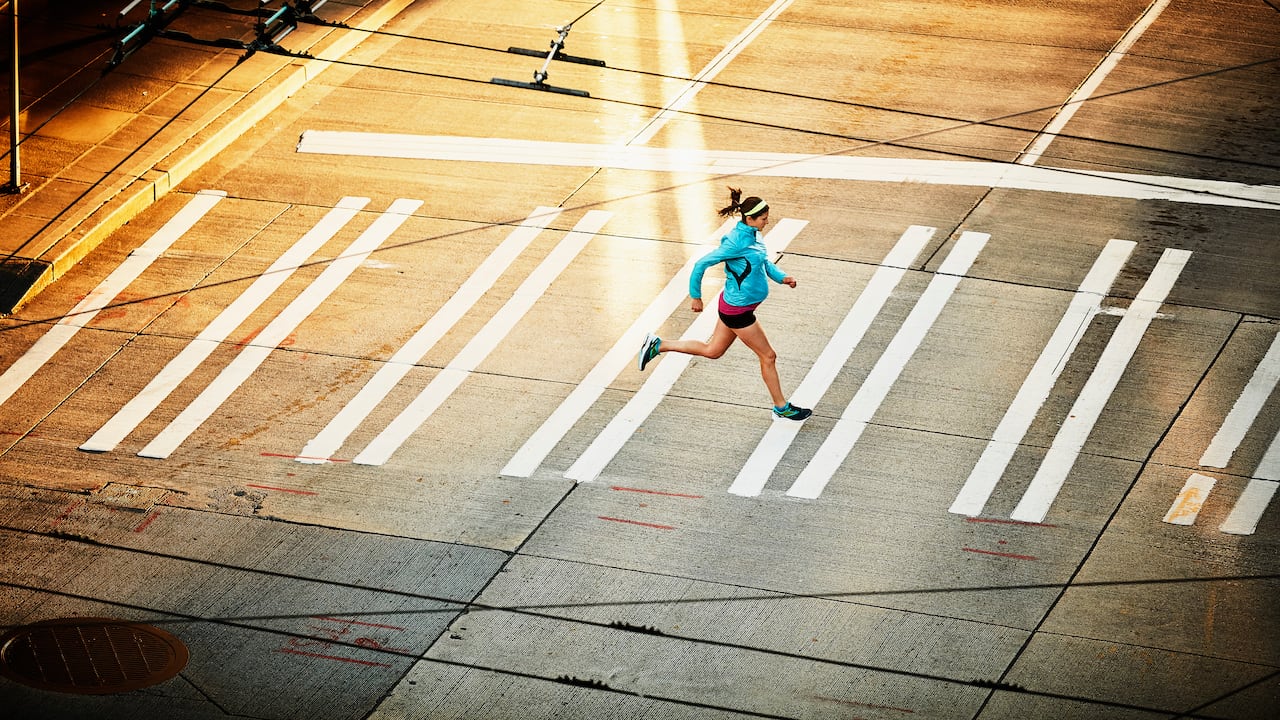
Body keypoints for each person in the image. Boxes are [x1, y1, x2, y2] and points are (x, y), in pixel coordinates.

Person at [638, 188, 812, 421]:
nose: (766, 222)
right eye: (763, 219)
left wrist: (782, 277)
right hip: (738, 311)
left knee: (713, 351)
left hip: (737, 306)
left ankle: (657, 345)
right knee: (768, 356)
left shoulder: (753, 234)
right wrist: (696, 296)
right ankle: (781, 407)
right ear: (749, 218)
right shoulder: (736, 242)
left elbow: (763, 261)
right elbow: (701, 263)